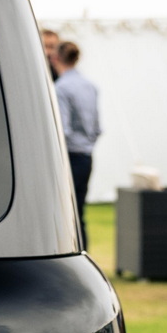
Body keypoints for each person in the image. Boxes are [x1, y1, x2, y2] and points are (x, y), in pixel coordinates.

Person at [53, 39, 102, 249]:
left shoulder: (61, 87)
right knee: (79, 212)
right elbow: (97, 127)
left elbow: (62, 129)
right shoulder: (90, 86)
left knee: (65, 213)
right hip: (86, 156)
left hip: (71, 156)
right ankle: (85, 254)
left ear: (56, 58)